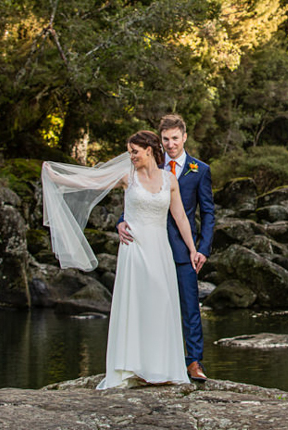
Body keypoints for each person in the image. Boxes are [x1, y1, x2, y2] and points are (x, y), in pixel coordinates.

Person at [42, 130, 202, 387]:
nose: (131, 157)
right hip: (135, 249)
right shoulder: (127, 176)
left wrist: (192, 249)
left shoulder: (170, 180)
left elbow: (181, 218)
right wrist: (57, 178)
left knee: (161, 303)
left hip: (160, 250)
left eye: (135, 152)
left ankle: (161, 368)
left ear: (149, 150)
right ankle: (131, 368)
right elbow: (91, 182)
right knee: (137, 305)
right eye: (130, 152)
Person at [118, 114, 215, 381]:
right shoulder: (148, 164)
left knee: (189, 306)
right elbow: (134, 198)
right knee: (149, 303)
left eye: (175, 138)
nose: (171, 144)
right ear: (159, 141)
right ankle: (147, 360)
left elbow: (207, 213)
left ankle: (194, 362)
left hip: (183, 250)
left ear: (184, 138)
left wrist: (202, 248)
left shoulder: (200, 170)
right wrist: (120, 222)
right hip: (148, 245)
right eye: (166, 139)